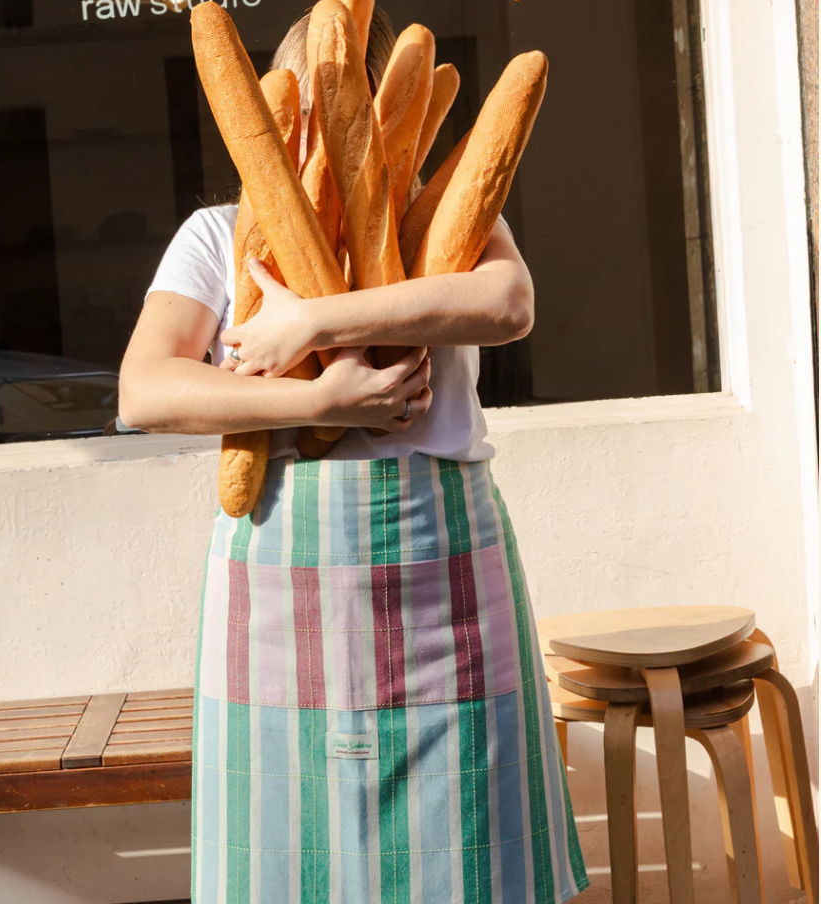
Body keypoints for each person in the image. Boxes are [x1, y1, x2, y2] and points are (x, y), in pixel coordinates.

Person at [119, 7, 589, 903]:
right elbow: (145, 391)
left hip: (439, 570)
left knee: (475, 847)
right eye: (294, 111)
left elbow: (508, 305)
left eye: (351, 115)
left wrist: (314, 323)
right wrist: (317, 399)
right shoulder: (218, 236)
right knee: (288, 857)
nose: (318, 135)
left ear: (386, 125)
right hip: (276, 582)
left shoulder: (441, 227)